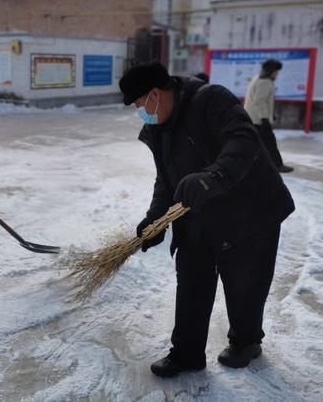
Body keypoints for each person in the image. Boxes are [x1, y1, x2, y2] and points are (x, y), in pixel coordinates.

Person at [119, 61, 294, 377]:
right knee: (191, 277)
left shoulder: (211, 99)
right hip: (201, 207)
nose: (138, 111)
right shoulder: (158, 126)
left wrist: (213, 176)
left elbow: (243, 140)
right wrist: (155, 218)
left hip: (250, 208)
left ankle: (246, 342)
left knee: (245, 283)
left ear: (155, 94)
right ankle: (186, 353)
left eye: (138, 103)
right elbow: (167, 178)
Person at [244, 59, 294, 173]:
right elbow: (259, 102)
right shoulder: (264, 82)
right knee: (270, 142)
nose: (277, 74)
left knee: (256, 143)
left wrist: (270, 115)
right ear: (271, 71)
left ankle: (255, 165)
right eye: (276, 71)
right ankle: (277, 165)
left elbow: (262, 102)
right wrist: (265, 118)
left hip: (253, 117)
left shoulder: (259, 79)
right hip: (258, 120)